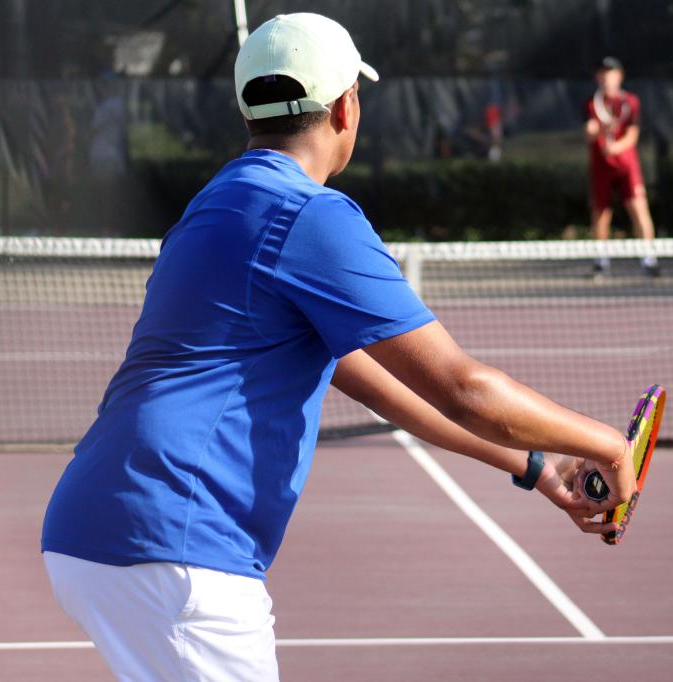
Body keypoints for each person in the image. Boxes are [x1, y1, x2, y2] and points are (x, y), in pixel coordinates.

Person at [42, 14, 636, 681]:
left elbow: (385, 385)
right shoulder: (314, 217)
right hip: (180, 542)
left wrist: (537, 466)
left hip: (97, 527)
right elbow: (463, 389)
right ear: (346, 107)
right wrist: (607, 444)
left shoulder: (216, 205)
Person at [585, 57, 659, 277]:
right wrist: (593, 131)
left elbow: (632, 135)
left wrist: (615, 147)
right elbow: (589, 131)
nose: (606, 77)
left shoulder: (631, 102)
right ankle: (601, 261)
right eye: (602, 73)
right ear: (597, 77)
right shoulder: (591, 104)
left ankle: (649, 258)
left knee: (639, 208)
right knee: (600, 213)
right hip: (601, 168)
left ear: (620, 76)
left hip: (627, 167)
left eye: (610, 72)